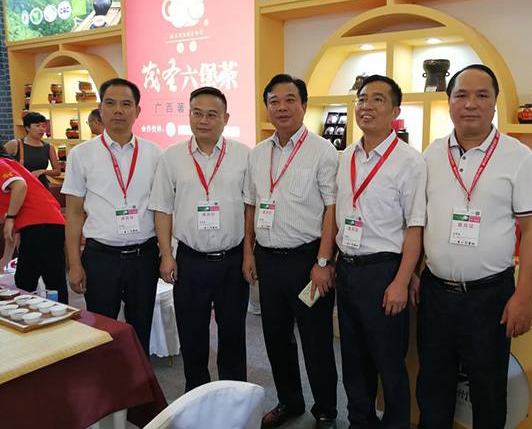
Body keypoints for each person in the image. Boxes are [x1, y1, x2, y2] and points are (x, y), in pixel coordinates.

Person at [416, 64, 532, 429]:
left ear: (494, 103)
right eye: (461, 95)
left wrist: (524, 296)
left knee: (488, 389)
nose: (470, 104)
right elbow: (419, 220)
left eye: (481, 95)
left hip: (490, 297)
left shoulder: (519, 156)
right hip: (435, 293)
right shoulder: (431, 154)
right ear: (449, 102)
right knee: (432, 385)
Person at [243, 74, 339, 429]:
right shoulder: (258, 153)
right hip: (268, 259)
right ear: (266, 107)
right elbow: (251, 205)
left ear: (304, 105)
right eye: (274, 101)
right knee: (275, 336)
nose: (281, 108)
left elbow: (332, 209)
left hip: (307, 260)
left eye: (289, 100)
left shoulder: (323, 151)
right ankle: (290, 401)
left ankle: (326, 410)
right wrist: (249, 252)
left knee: (316, 340)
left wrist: (323, 261)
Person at [334, 75, 425, 429]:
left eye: (377, 99)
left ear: (395, 111)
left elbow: (415, 227)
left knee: (389, 361)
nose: (366, 106)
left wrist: (401, 280)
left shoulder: (409, 162)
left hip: (383, 272)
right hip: (347, 268)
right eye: (361, 99)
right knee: (353, 357)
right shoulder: (347, 155)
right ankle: (360, 422)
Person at [150, 86, 250, 391]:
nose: (203, 120)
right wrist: (166, 255)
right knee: (192, 334)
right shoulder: (172, 156)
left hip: (232, 260)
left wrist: (249, 254)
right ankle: (197, 396)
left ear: (225, 118)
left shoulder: (243, 155)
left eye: (212, 114)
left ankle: (234, 396)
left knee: (233, 334)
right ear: (189, 115)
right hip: (190, 260)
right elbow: (162, 208)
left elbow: (251, 208)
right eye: (197, 113)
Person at [62, 78, 162, 356]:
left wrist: (167, 254)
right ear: (100, 108)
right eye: (111, 103)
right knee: (101, 329)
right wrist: (75, 264)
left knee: (141, 327)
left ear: (137, 111)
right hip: (101, 258)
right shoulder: (81, 154)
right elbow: (74, 213)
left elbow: (164, 210)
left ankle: (139, 380)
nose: (118, 110)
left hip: (143, 257)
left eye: (126, 104)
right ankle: (106, 381)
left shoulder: (155, 153)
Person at [0, 140, 67, 303]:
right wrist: (5, 260)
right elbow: (10, 229)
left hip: (44, 224)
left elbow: (20, 186)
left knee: (53, 281)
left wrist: (10, 219)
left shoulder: (2, 164)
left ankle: (64, 314)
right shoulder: (9, 164)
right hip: (35, 226)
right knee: (24, 280)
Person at [5, 112, 61, 191]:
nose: (41, 129)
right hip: (21, 187)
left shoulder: (49, 147)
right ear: (27, 128)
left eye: (44, 126)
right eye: (37, 126)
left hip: (42, 186)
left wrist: (42, 171)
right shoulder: (15, 144)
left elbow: (57, 172)